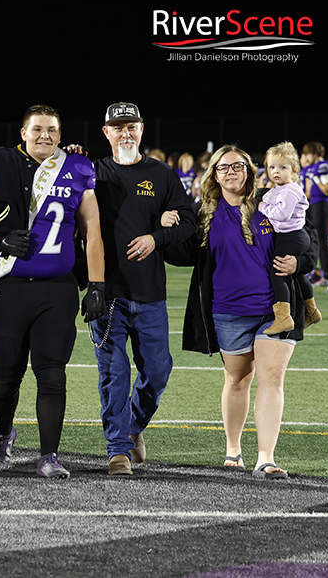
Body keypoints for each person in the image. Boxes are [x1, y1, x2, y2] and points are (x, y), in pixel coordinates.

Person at [0, 105, 106, 478]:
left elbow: (93, 232)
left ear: (60, 134)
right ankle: (3, 434)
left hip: (57, 288)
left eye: (52, 130)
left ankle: (49, 456)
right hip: (7, 285)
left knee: (53, 373)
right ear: (22, 133)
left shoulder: (78, 167)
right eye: (37, 129)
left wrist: (97, 283)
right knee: (6, 376)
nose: (45, 136)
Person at [175, 144, 319, 479]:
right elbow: (182, 253)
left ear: (249, 169)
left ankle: (266, 458)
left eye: (237, 166)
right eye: (222, 168)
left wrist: (300, 261)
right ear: (214, 174)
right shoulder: (205, 211)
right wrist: (165, 225)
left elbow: (307, 239)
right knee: (237, 379)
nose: (230, 173)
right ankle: (233, 450)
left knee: (272, 377)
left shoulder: (273, 200)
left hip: (275, 307)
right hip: (227, 310)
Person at [91, 102, 195, 476]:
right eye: (117, 127)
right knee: (114, 371)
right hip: (108, 292)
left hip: (150, 292)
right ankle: (118, 449)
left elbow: (189, 223)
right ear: (106, 132)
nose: (125, 133)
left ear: (141, 129)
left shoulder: (162, 174)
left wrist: (158, 236)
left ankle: (132, 428)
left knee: (158, 370)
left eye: (131, 126)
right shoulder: (93, 173)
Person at [257, 142, 320, 334]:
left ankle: (283, 317)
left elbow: (282, 214)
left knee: (278, 272)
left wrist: (262, 207)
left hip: (292, 236)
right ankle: (312, 311)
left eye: (282, 167)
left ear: (293, 170)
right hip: (291, 236)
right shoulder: (278, 188)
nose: (276, 171)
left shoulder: (290, 189)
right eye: (272, 167)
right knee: (295, 273)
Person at [300, 142, 328, 284]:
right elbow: (307, 192)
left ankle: (326, 276)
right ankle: (317, 272)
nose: (306, 157)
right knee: (313, 240)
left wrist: (316, 178)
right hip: (313, 205)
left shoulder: (323, 166)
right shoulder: (312, 168)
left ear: (314, 154)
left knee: (322, 241)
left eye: (308, 154)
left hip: (321, 205)